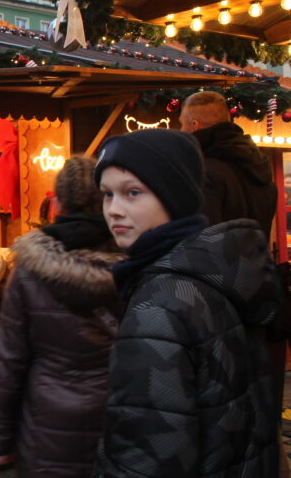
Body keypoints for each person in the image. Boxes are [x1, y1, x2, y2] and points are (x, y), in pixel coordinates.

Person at [92, 129, 281, 476]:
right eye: (107, 195)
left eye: (133, 193)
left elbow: (149, 455)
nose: (114, 210)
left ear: (172, 197)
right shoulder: (212, 272)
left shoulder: (160, 304)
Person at [0, 157, 124, 476]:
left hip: (47, 423)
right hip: (118, 416)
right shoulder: (133, 264)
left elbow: (10, 359)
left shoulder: (29, 269)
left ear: (56, 202)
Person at [179, 90, 277, 234]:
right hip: (256, 255)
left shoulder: (205, 172)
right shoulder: (258, 165)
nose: (181, 130)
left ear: (195, 125)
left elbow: (202, 238)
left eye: (181, 124)